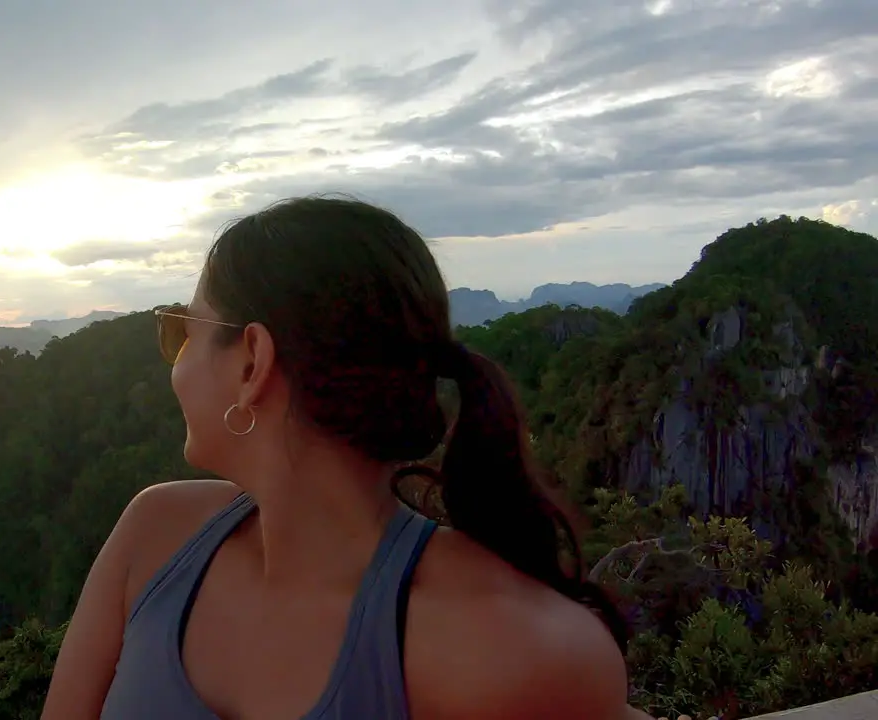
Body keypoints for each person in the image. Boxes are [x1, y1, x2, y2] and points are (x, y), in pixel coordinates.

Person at [42, 196, 639, 719]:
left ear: (252, 363)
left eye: (183, 332)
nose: (175, 364)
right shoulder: (153, 533)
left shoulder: (510, 650)